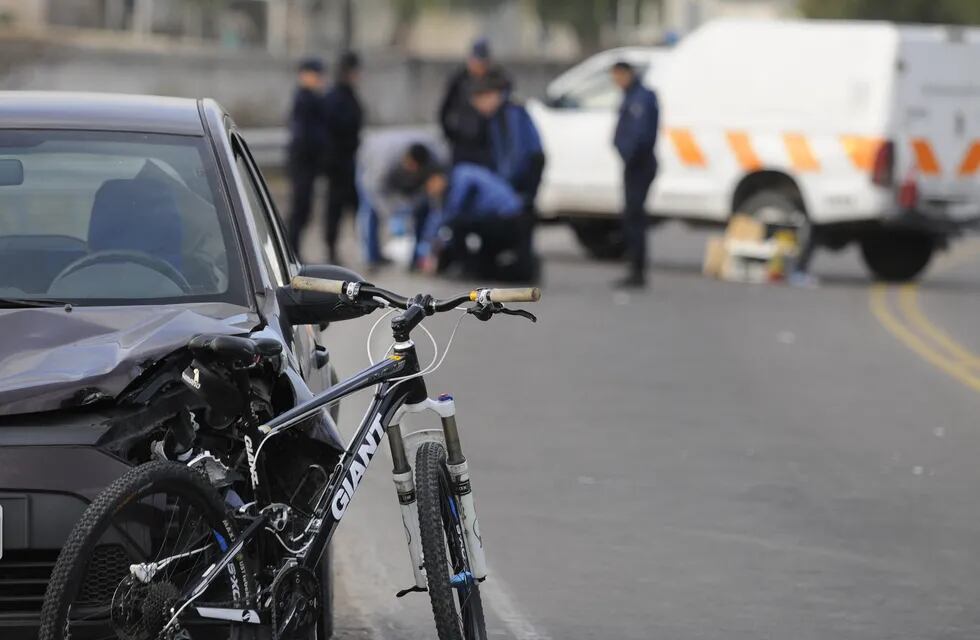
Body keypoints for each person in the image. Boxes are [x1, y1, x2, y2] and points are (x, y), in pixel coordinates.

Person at [417, 163, 536, 282]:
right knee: (460, 228)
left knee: (457, 227)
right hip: (498, 218)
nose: (431, 192)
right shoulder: (458, 177)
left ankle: (468, 268)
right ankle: (480, 269)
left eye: (430, 186)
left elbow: (451, 213)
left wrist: (433, 246)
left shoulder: (462, 176)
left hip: (508, 217)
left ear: (437, 178)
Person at [355, 131, 444, 270]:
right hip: (369, 163)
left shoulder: (435, 158)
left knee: (423, 209)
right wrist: (391, 215)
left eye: (417, 168)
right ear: (406, 158)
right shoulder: (384, 162)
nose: (414, 170)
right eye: (411, 166)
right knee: (370, 209)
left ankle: (416, 258)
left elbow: (434, 186)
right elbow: (375, 191)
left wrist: (416, 204)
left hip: (401, 173)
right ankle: (372, 257)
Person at [611, 60, 659, 289]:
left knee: (634, 217)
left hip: (639, 165)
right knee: (631, 216)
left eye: (618, 76)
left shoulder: (641, 97)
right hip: (634, 164)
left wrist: (627, 154)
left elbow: (640, 136)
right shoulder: (632, 95)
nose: (616, 82)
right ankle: (634, 268)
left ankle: (637, 270)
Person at [469, 70, 545, 211]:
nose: (480, 110)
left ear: (491, 96)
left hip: (528, 168)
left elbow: (515, 152)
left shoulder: (509, 113)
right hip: (523, 169)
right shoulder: (498, 115)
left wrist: (505, 184)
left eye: (480, 103)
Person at [322, 51, 364, 264]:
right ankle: (331, 249)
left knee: (357, 207)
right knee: (335, 209)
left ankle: (365, 248)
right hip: (338, 164)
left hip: (349, 162)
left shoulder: (347, 95)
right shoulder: (335, 98)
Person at [286, 57, 329, 257]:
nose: (319, 79)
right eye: (315, 75)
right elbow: (304, 136)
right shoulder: (304, 100)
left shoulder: (314, 99)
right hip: (302, 163)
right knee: (299, 209)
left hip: (309, 164)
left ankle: (293, 250)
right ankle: (290, 251)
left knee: (305, 210)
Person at [438, 38, 497, 167]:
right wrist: (450, 134)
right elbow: (444, 110)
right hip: (461, 144)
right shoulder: (459, 80)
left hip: (486, 146)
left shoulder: (494, 81)